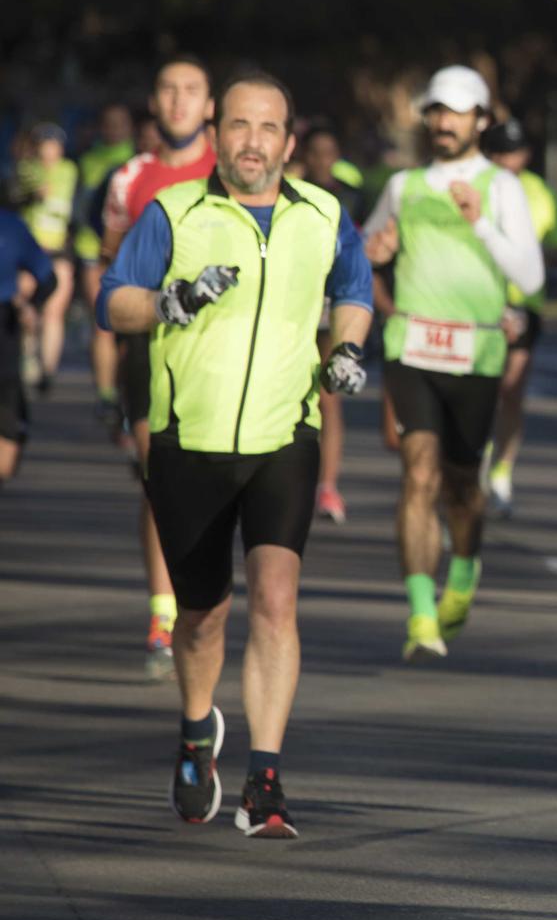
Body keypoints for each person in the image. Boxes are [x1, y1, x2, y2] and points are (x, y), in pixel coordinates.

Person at [97, 72, 374, 837]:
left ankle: (266, 780)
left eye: (269, 128)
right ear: (217, 134)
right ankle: (195, 732)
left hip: (286, 434)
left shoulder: (323, 213)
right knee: (203, 617)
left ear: (290, 141)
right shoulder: (175, 211)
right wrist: (167, 302)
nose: (253, 141)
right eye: (240, 126)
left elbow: (355, 286)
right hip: (191, 438)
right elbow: (112, 297)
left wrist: (349, 346)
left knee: (277, 601)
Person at [364, 66, 545, 661]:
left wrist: (480, 225)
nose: (443, 122)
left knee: (463, 487)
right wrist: (376, 252)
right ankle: (420, 612)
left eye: (457, 112)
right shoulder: (404, 185)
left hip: (477, 352)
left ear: (481, 121)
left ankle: (462, 574)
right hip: (411, 345)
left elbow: (531, 276)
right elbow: (362, 254)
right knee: (418, 472)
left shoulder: (502, 188)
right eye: (436, 111)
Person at [103, 57, 219, 681]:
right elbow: (111, 275)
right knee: (161, 478)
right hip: (151, 353)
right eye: (168, 89)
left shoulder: (231, 172)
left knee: (213, 480)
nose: (178, 101)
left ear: (209, 106)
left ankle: (207, 600)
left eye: (191, 90)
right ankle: (162, 611)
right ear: (155, 100)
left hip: (223, 355)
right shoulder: (130, 178)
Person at [479, 117, 557, 520]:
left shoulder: (539, 192)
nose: (506, 161)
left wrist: (530, 254)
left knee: (512, 388)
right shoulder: (476, 185)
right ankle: (476, 464)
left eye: (513, 153)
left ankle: (502, 470)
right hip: (478, 300)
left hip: (522, 303)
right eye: (498, 153)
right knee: (481, 388)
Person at [297, 122, 365, 524]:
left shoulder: (352, 198)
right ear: (303, 154)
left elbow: (366, 250)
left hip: (334, 305)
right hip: (297, 305)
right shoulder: (292, 194)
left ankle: (327, 486)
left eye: (329, 152)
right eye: (315, 152)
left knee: (329, 396)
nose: (323, 160)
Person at [75, 104, 138, 429]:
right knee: (104, 321)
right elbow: (82, 210)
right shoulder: (87, 161)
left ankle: (128, 392)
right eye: (108, 123)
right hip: (95, 250)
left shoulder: (139, 159)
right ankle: (106, 394)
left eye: (120, 123)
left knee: (131, 331)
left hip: (134, 254)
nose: (114, 129)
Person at [13, 125, 78, 396]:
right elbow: (25, 190)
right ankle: (28, 358)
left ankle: (47, 370)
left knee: (54, 312)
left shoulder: (69, 170)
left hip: (58, 247)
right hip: (30, 249)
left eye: (54, 145)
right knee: (26, 308)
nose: (50, 150)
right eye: (45, 144)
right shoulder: (26, 169)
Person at [0, 204, 56, 485]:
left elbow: (47, 276)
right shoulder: (13, 226)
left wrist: (30, 308)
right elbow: (48, 278)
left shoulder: (11, 227)